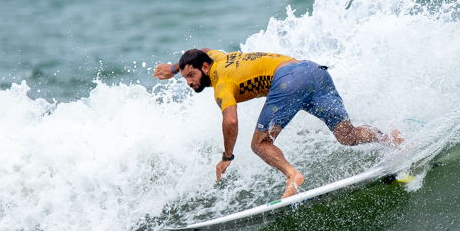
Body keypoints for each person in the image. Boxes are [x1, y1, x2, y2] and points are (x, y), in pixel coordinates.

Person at [154, 48, 400, 197]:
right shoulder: (217, 57)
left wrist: (227, 156)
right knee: (347, 135)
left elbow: (230, 121)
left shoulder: (221, 84)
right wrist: (174, 68)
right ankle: (391, 137)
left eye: (191, 75)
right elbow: (203, 49)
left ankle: (293, 176)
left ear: (206, 68)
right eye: (185, 77)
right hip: (313, 71)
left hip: (288, 80)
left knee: (259, 144)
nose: (189, 82)